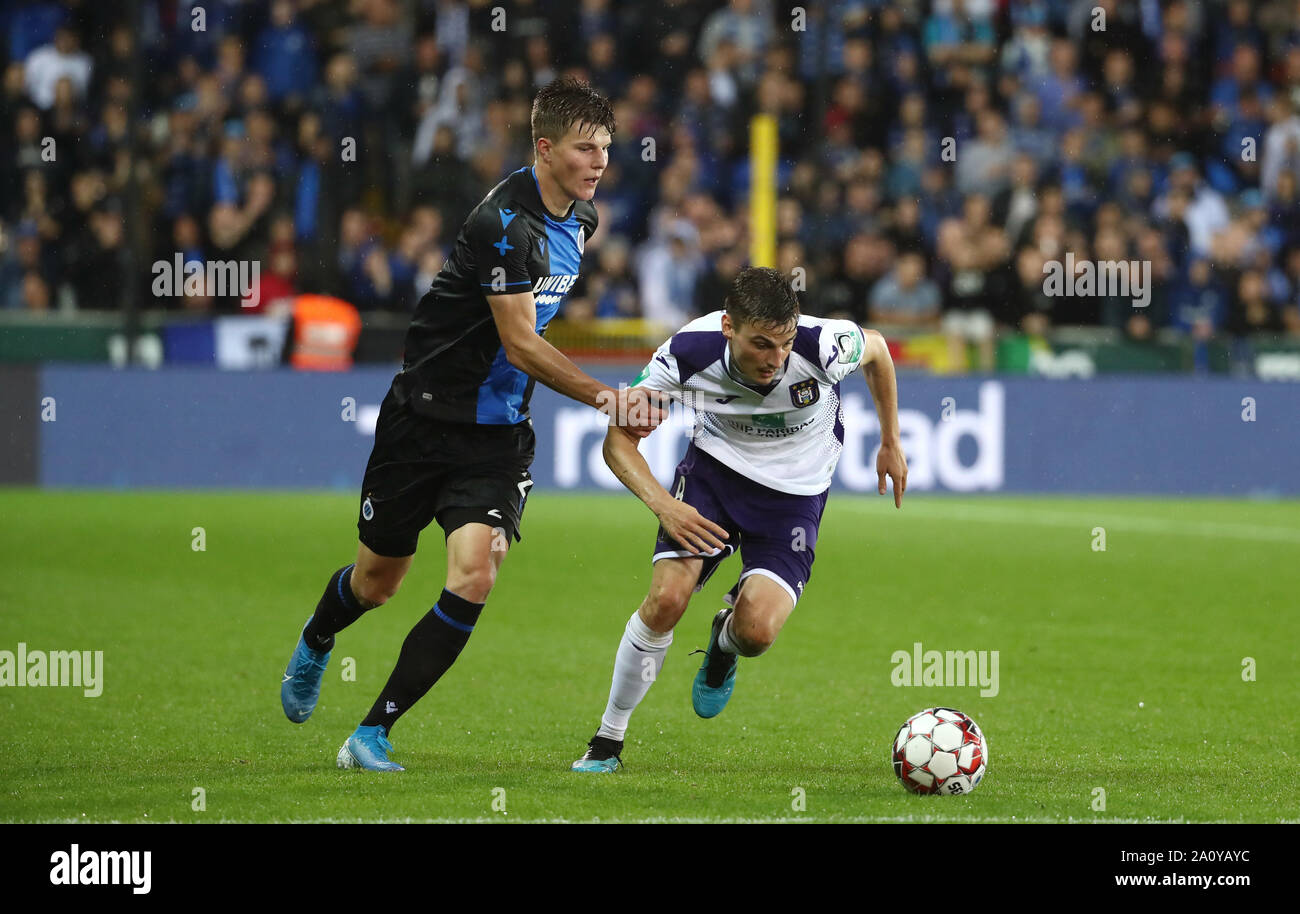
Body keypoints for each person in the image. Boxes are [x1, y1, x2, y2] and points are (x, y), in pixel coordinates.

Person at [280, 77, 664, 771]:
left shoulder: (582, 220)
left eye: (606, 148)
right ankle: (317, 635)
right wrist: (609, 399)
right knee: (377, 584)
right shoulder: (501, 225)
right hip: (420, 422)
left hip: (496, 435)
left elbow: (527, 345)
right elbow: (519, 342)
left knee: (477, 571)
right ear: (544, 149)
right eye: (585, 148)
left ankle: (372, 734)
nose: (600, 162)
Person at [570, 266, 907, 772]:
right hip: (715, 478)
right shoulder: (688, 353)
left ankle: (723, 642)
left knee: (757, 634)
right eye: (762, 345)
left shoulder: (822, 345)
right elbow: (619, 443)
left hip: (795, 496)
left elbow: (878, 349)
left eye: (785, 344)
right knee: (666, 600)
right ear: (729, 327)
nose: (777, 360)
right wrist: (665, 504)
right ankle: (607, 740)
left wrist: (890, 441)